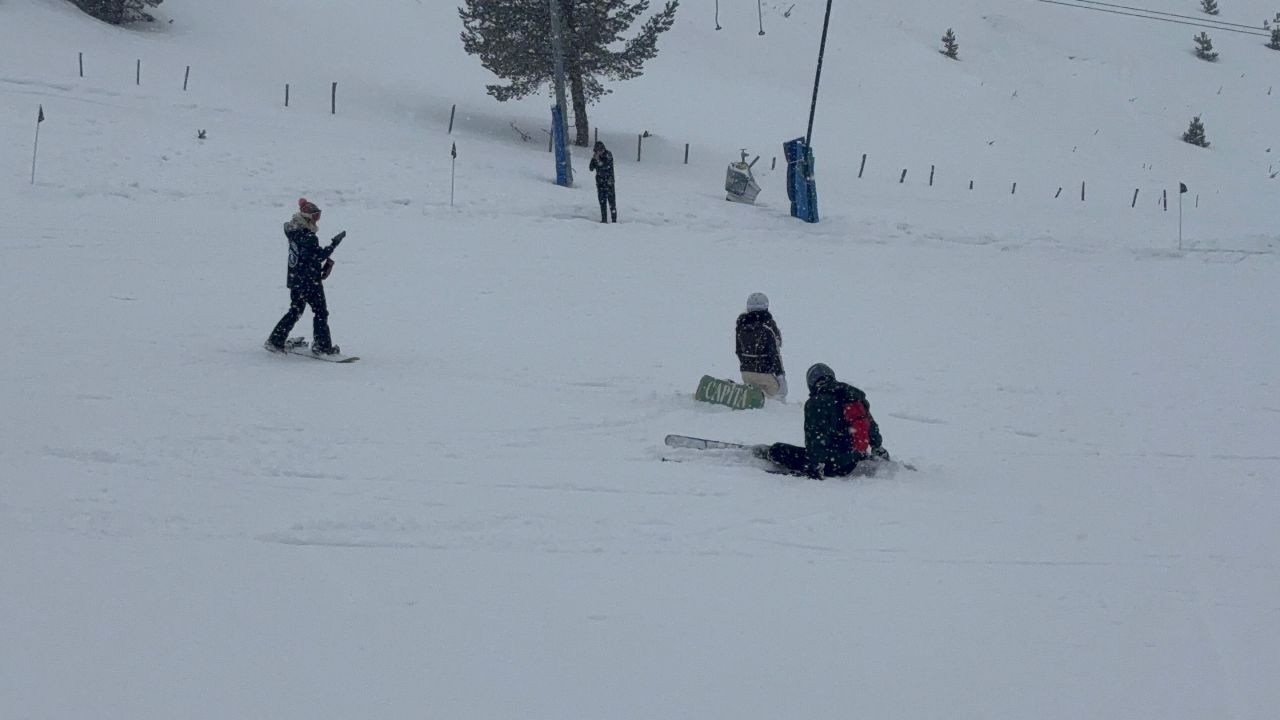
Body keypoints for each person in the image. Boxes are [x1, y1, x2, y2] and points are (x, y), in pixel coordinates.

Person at [758, 363, 890, 479]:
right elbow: (869, 425)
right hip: (856, 458)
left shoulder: (815, 403)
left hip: (832, 465)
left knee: (778, 449)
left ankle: (765, 453)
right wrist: (877, 446)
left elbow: (815, 437)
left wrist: (816, 465)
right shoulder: (853, 396)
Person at [265, 198, 346, 356]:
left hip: (296, 279)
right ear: (307, 217)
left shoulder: (293, 231)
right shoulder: (307, 236)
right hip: (309, 281)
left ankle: (276, 340)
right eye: (315, 216)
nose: (317, 220)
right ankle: (322, 346)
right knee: (321, 312)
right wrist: (334, 244)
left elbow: (307, 257)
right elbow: (318, 255)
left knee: (295, 310)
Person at [735, 292, 787, 400]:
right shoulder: (768, 327)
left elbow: (738, 351)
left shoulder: (741, 327)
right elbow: (775, 354)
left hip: (746, 373)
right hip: (765, 373)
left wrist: (748, 364)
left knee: (756, 399)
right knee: (776, 400)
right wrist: (781, 377)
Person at [588, 140, 617, 223]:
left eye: (600, 151)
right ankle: (604, 219)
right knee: (602, 201)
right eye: (597, 151)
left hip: (609, 182)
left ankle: (614, 220)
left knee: (611, 202)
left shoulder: (608, 155)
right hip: (600, 183)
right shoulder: (596, 157)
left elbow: (605, 166)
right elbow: (591, 168)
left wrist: (598, 161)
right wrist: (593, 159)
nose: (599, 153)